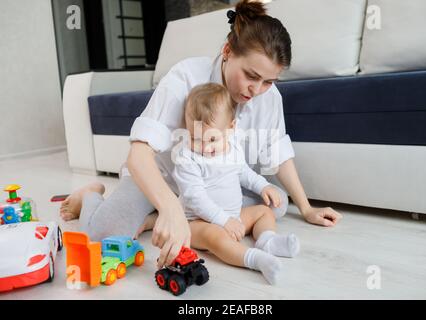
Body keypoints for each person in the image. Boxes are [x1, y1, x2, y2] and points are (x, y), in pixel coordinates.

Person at [59, 0, 342, 269]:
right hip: (164, 180)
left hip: (213, 182)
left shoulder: (269, 97)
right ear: (228, 50)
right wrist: (169, 208)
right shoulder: (184, 77)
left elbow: (276, 150)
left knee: (276, 202)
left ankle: (174, 218)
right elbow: (139, 155)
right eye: (251, 76)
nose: (256, 90)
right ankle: (91, 195)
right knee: (101, 236)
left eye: (268, 81)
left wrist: (306, 208)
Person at [173, 83, 300, 284]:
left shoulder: (232, 149)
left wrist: (263, 186)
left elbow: (243, 172)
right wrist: (223, 221)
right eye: (196, 138)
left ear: (230, 128)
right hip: (196, 222)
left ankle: (268, 241)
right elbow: (194, 198)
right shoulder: (187, 158)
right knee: (214, 237)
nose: (205, 147)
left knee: (264, 212)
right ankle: (255, 260)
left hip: (232, 216)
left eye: (212, 139)